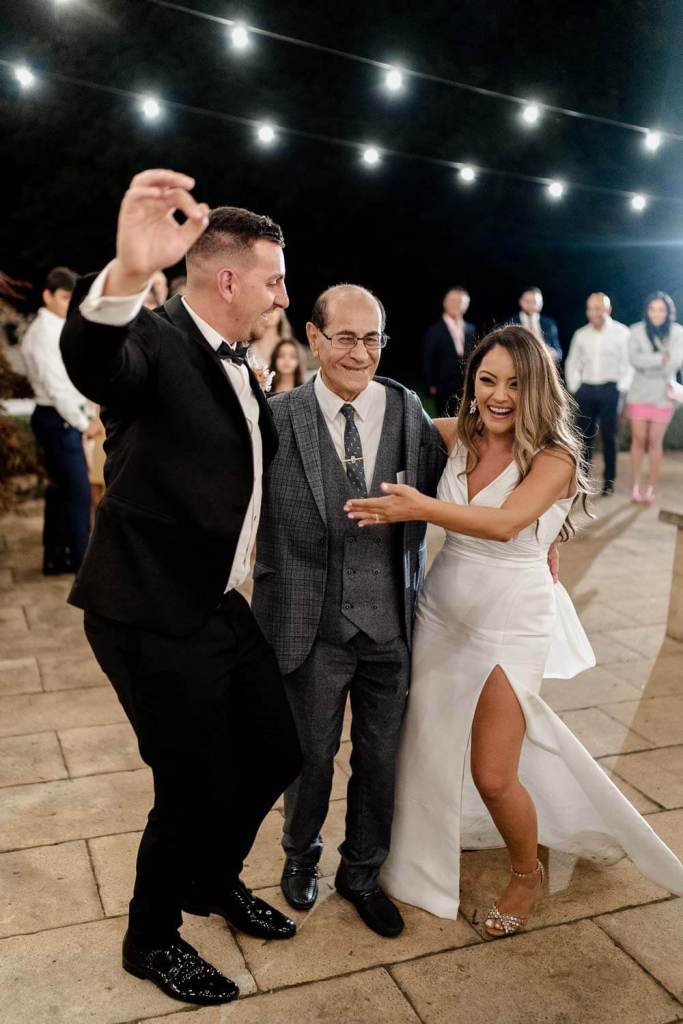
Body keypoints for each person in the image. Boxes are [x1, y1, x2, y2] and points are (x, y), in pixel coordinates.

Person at [346, 324, 683, 934]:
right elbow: (384, 417)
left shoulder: (555, 457)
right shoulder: (456, 435)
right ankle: (418, 855)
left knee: (494, 771)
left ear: (538, 390)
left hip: (509, 619)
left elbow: (504, 524)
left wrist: (419, 507)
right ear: (471, 384)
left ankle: (527, 873)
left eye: (515, 383)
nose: (499, 395)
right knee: (426, 741)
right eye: (487, 380)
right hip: (442, 609)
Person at [59, 169, 302, 1007]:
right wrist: (126, 274)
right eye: (273, 277)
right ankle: (150, 937)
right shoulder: (156, 339)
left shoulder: (241, 359)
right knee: (192, 780)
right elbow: (96, 360)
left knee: (277, 749)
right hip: (145, 608)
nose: (282, 293)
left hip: (212, 601)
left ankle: (212, 879)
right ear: (228, 278)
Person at [251, 284, 447, 938]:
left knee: (380, 758)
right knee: (308, 755)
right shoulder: (277, 416)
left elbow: (460, 480)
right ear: (313, 338)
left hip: (390, 623)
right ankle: (298, 857)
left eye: (371, 338)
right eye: (344, 337)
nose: (359, 352)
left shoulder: (405, 407)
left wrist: (549, 530)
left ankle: (361, 873)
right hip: (308, 623)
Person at [21, 266, 100, 574]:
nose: (69, 303)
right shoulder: (44, 333)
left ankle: (56, 559)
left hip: (60, 416)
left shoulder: (57, 327)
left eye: (72, 297)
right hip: (57, 418)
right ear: (48, 295)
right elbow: (58, 388)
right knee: (78, 493)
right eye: (65, 297)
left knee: (60, 492)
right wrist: (84, 423)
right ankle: (83, 564)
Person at [564, 293, 632, 496]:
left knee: (609, 437)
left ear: (608, 310)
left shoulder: (622, 332)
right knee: (584, 437)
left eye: (598, 308)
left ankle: (609, 482)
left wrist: (621, 387)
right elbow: (572, 361)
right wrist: (575, 386)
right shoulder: (581, 334)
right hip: (586, 389)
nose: (594, 312)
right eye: (590, 308)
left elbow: (629, 364)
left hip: (611, 389)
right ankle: (582, 481)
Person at [626, 291, 683, 504]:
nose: (656, 313)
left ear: (668, 312)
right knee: (638, 440)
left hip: (663, 395)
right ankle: (634, 487)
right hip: (639, 393)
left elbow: (675, 362)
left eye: (661, 309)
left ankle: (651, 487)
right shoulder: (636, 331)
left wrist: (649, 361)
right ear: (646, 311)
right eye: (652, 309)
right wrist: (660, 358)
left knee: (654, 442)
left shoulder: (678, 333)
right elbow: (634, 360)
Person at [423, 286, 476, 415]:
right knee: (444, 419)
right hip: (443, 386)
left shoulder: (471, 328)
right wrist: (431, 385)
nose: (456, 305)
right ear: (445, 302)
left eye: (461, 302)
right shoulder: (434, 331)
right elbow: (428, 359)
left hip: (465, 385)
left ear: (466, 305)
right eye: (452, 300)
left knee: (465, 420)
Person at [509, 286, 562, 362]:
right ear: (520, 301)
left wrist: (553, 353)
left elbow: (558, 352)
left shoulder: (549, 324)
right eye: (527, 301)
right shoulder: (511, 323)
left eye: (535, 302)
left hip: (543, 363)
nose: (531, 305)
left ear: (541, 303)